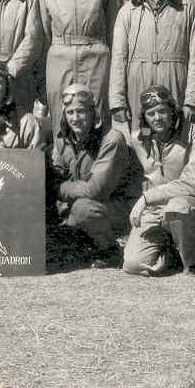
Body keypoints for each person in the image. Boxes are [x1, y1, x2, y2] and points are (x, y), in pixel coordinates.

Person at [122, 85, 195, 276]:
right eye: (151, 114)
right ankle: (170, 251)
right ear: (144, 118)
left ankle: (191, 263)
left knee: (177, 208)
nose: (157, 118)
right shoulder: (138, 140)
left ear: (173, 111)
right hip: (155, 210)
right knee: (133, 265)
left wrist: (147, 197)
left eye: (162, 111)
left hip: (192, 206)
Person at [109, 0, 195, 133]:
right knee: (140, 140)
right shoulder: (128, 10)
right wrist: (117, 101)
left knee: (176, 139)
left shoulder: (189, 7)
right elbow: (119, 58)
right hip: (138, 81)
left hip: (175, 81)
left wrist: (191, 100)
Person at [47, 83, 142, 269]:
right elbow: (56, 175)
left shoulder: (112, 139)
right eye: (70, 112)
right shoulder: (62, 140)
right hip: (77, 204)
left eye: (81, 112)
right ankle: (86, 244)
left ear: (93, 113)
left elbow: (94, 190)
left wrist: (59, 188)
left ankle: (109, 250)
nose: (75, 118)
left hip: (119, 208)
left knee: (83, 210)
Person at [36, 0, 123, 123]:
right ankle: (62, 154)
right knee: (62, 114)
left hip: (96, 57)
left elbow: (116, 29)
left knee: (96, 114)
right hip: (59, 56)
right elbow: (44, 31)